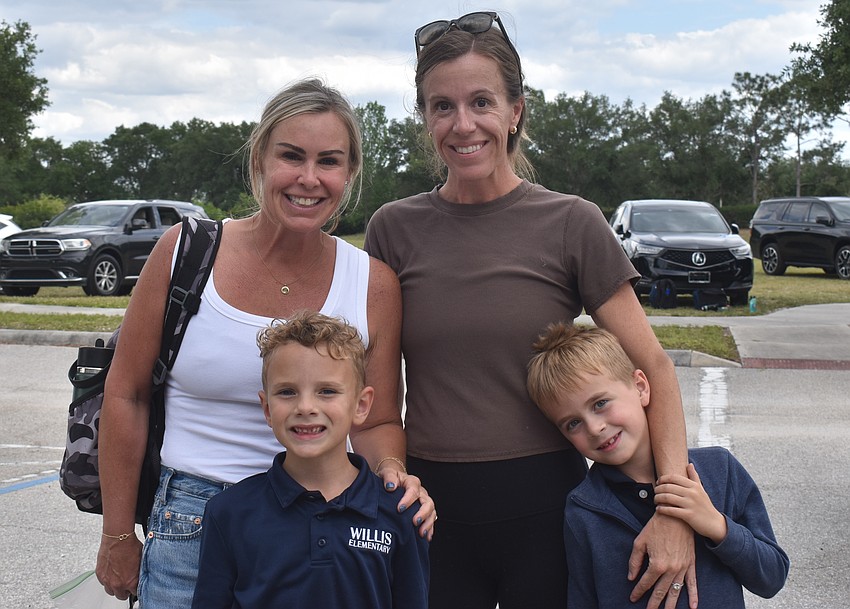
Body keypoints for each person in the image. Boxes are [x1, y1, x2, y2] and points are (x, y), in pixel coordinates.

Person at [364, 11, 695, 609]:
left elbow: (655, 368)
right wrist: (391, 471)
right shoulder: (393, 229)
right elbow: (379, 402)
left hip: (553, 511)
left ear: (516, 110)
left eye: (482, 102)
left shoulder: (571, 222)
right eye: (442, 106)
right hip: (432, 514)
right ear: (424, 118)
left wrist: (671, 511)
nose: (463, 124)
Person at [95, 78, 435, 608]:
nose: (308, 178)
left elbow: (378, 418)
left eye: (329, 161)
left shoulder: (373, 283)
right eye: (291, 156)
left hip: (323, 520)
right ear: (259, 157)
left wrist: (392, 472)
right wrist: (117, 535)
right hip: (194, 521)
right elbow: (126, 394)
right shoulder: (185, 252)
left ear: (349, 174)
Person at [526, 323, 790, 608]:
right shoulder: (583, 510)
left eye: (600, 403)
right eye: (573, 423)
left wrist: (716, 525)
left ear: (640, 387)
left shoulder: (719, 470)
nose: (594, 427)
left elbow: (772, 577)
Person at [191, 311, 430, 608]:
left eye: (327, 391)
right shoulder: (228, 513)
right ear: (267, 409)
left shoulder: (401, 513)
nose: (305, 407)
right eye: (287, 392)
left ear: (361, 404)